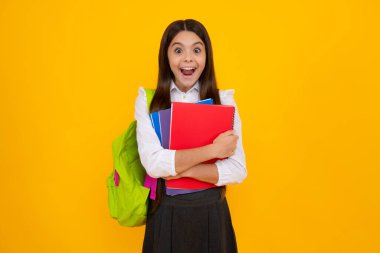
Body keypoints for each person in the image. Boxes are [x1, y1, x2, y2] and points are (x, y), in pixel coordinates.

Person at [134, 19, 247, 253]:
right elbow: (154, 165)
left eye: (196, 50)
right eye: (178, 50)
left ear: (206, 57)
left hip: (211, 215)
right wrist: (212, 151)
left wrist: (185, 170)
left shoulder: (224, 101)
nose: (188, 58)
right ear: (166, 57)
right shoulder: (148, 100)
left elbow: (237, 169)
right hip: (166, 214)